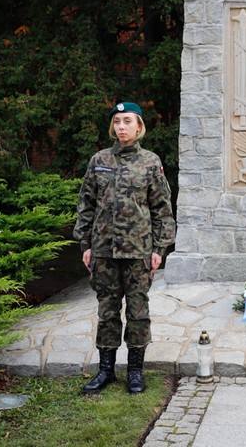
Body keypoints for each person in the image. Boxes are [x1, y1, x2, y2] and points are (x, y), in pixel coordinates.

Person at [73, 101, 176, 395]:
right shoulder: (99, 160)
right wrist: (85, 243)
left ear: (139, 126)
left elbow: (162, 209)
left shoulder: (151, 162)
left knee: (138, 311)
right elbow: (86, 204)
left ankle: (135, 371)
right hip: (103, 250)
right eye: (117, 121)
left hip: (139, 252)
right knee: (107, 310)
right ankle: (105, 371)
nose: (122, 127)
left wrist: (159, 248)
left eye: (127, 121)